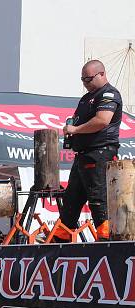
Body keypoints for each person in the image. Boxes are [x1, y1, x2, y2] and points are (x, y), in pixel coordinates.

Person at [57, 59, 122, 241]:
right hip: (83, 154)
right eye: (82, 80)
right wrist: (72, 127)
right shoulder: (87, 98)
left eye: (89, 79)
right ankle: (60, 239)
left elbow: (102, 120)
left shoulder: (109, 94)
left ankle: (106, 240)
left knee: (98, 198)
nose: (85, 83)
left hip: (99, 152)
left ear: (102, 74)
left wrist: (76, 129)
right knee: (71, 198)